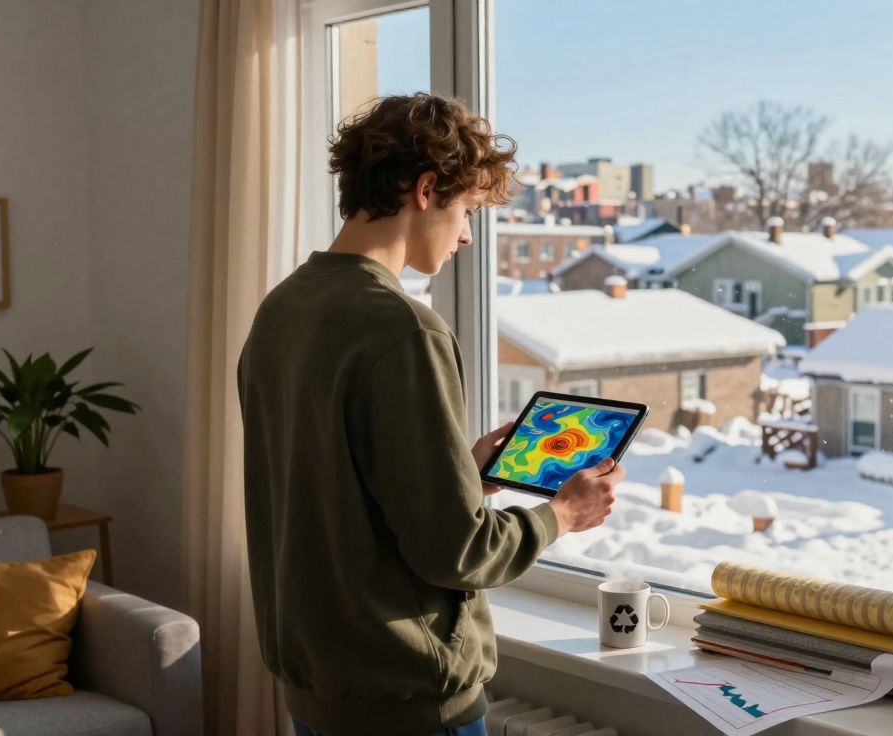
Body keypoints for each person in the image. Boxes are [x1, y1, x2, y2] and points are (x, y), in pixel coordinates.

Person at [237, 93, 622, 736]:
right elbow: (458, 553)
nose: (468, 233)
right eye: (468, 209)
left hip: (316, 690)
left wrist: (461, 475)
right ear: (425, 190)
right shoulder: (404, 330)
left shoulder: (281, 310)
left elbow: (330, 491)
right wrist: (562, 514)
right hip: (406, 701)